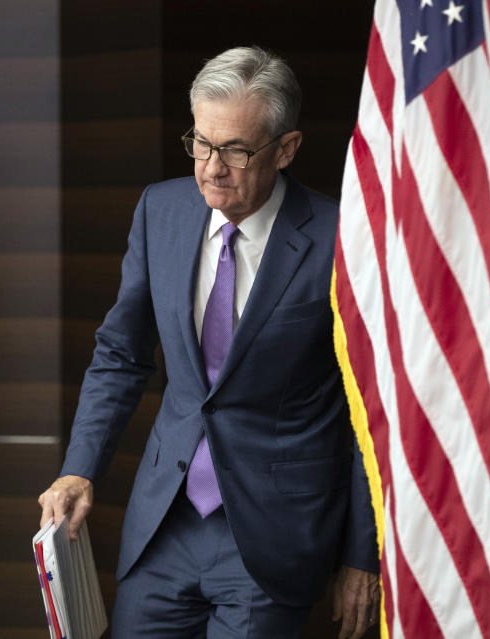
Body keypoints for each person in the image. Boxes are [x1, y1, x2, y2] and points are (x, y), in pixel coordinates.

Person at [39, 46, 379, 638]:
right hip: (163, 528)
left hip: (271, 539)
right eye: (200, 141)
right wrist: (79, 469)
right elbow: (120, 355)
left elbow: (367, 412)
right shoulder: (160, 210)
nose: (211, 167)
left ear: (287, 149)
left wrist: (362, 553)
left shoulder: (342, 238)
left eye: (236, 150)